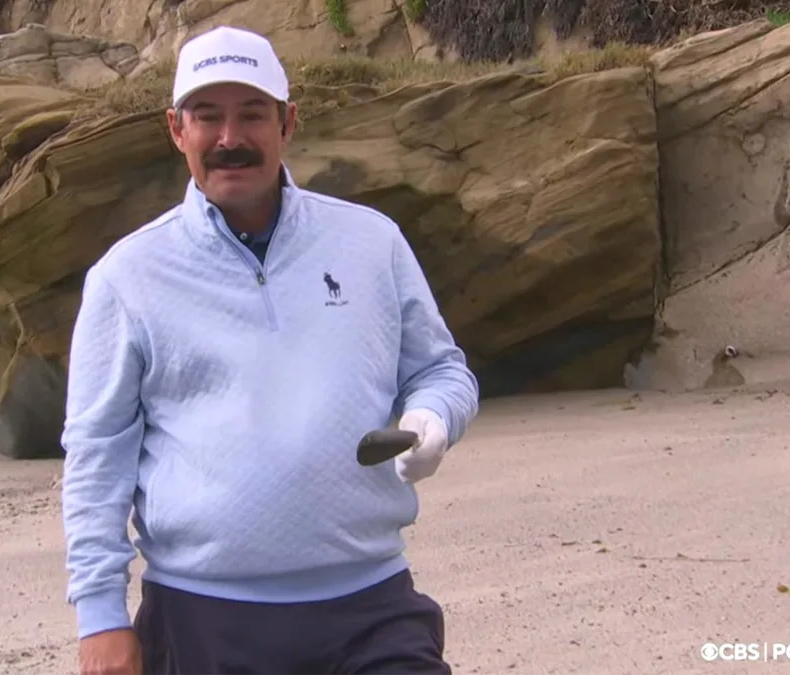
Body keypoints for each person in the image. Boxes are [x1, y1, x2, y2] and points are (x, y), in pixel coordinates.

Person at [60, 24, 480, 675]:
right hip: (203, 619)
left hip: (370, 609)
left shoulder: (372, 243)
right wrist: (101, 618)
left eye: (253, 114)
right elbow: (97, 454)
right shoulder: (128, 276)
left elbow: (441, 369)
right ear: (176, 129)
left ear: (288, 123)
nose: (230, 138)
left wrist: (434, 417)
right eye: (208, 115)